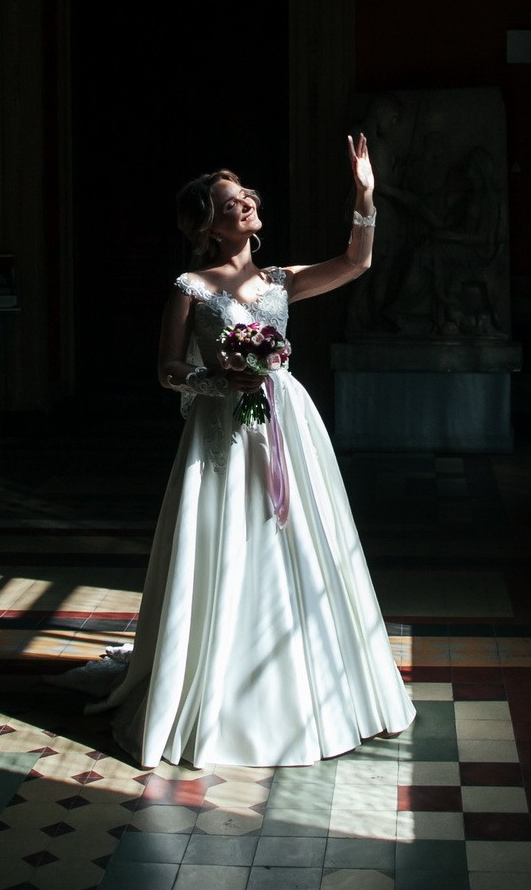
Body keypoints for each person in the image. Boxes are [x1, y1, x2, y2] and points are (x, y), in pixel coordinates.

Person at [53, 134, 416, 768]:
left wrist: (365, 193)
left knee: (300, 537)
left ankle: (313, 685)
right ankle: (213, 685)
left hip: (286, 424)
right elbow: (167, 369)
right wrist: (218, 380)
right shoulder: (192, 285)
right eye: (229, 201)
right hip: (223, 428)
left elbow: (356, 262)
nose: (245, 201)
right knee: (226, 541)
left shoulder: (280, 279)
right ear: (208, 228)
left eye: (245, 193)